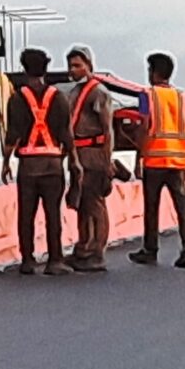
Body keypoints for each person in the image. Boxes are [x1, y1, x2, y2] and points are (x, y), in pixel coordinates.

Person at [1, 48, 71, 276]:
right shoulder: (58, 97)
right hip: (53, 165)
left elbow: (12, 135)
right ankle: (55, 260)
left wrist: (5, 162)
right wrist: (73, 160)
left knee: (26, 215)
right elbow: (66, 133)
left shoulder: (17, 98)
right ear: (46, 68)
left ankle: (28, 260)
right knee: (53, 214)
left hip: (28, 167)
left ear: (24, 68)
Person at [60, 46, 126, 272]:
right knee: (83, 204)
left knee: (95, 204)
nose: (73, 70)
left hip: (95, 155)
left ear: (89, 66)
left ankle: (97, 251)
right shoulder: (75, 92)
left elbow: (108, 129)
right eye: (71, 66)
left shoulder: (99, 92)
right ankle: (83, 247)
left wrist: (108, 160)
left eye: (78, 65)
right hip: (79, 155)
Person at [129, 53, 185, 269]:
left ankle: (150, 249)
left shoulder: (146, 95)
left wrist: (138, 157)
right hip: (177, 160)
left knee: (152, 206)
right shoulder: (183, 97)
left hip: (154, 160)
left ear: (154, 72)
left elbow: (143, 125)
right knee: (182, 205)